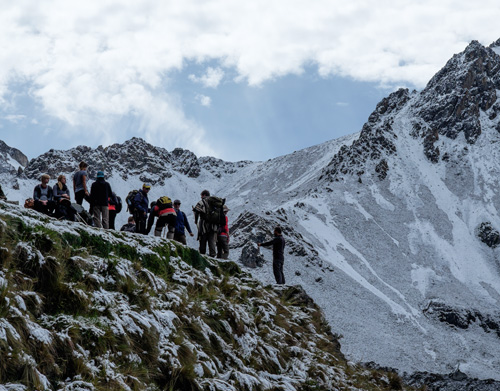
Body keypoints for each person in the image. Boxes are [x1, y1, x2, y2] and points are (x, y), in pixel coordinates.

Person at [193, 190, 218, 257]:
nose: (201, 197)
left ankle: (202, 255)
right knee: (211, 240)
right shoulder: (214, 203)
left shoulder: (201, 202)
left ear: (204, 195)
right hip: (213, 225)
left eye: (201, 195)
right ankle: (213, 255)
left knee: (203, 239)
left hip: (204, 224)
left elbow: (197, 212)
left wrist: (196, 220)